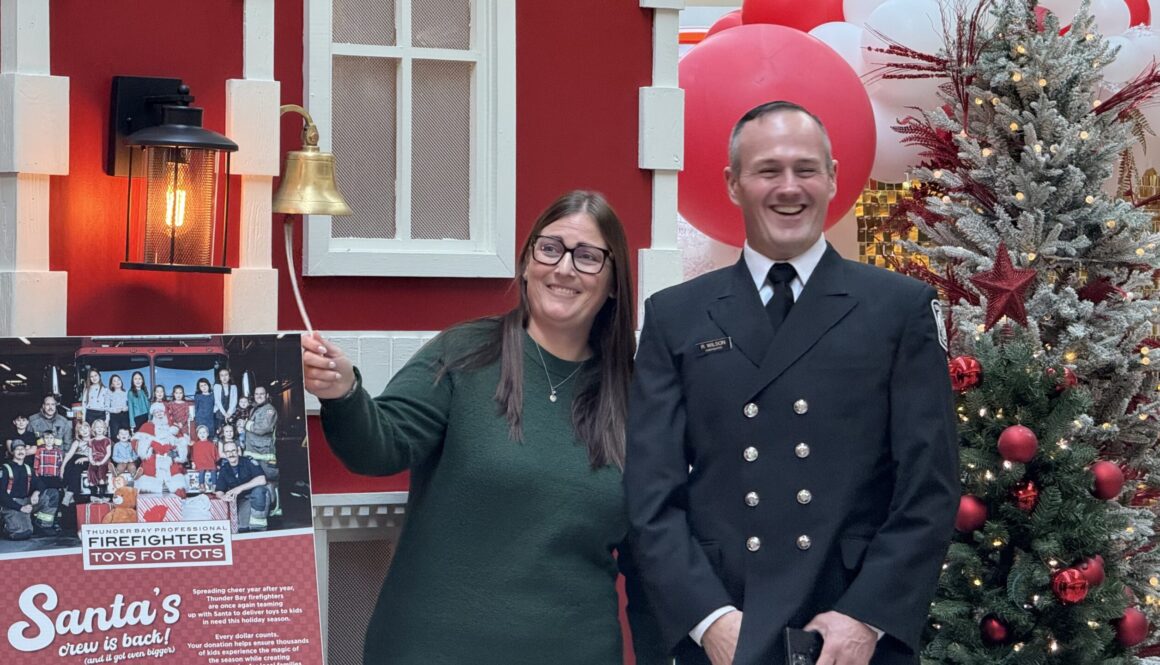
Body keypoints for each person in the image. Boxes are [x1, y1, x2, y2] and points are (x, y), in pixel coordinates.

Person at [624, 102, 960, 665]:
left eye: (805, 169)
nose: (789, 187)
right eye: (767, 170)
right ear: (733, 184)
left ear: (832, 177)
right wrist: (708, 620)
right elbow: (649, 494)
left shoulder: (898, 308)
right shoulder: (675, 316)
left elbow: (929, 486)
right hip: (725, 621)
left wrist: (867, 618)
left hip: (846, 629)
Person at [300, 190, 661, 664]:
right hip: (432, 649)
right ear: (528, 260)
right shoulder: (466, 353)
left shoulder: (638, 396)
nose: (565, 268)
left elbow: (649, 559)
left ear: (614, 282)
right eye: (550, 248)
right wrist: (343, 392)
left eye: (588, 257)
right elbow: (380, 448)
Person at [0, 441, 58, 539]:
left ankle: (42, 525)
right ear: (12, 452)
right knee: (23, 533)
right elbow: (1, 495)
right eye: (17, 449)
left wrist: (36, 492)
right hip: (12, 505)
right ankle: (5, 525)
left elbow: (41, 484)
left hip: (27, 502)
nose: (20, 451)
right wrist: (20, 508)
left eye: (22, 449)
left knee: (52, 494)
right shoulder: (5, 469)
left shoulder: (28, 468)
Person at [214, 442, 268, 532]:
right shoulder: (224, 469)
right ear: (224, 454)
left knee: (259, 491)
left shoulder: (248, 461)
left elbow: (262, 479)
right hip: (242, 501)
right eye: (228, 452)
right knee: (243, 528)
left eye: (233, 451)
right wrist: (223, 496)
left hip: (258, 497)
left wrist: (239, 488)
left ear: (238, 451)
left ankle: (260, 528)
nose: (231, 454)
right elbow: (219, 491)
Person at [244, 386, 278, 514]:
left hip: (265, 455)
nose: (259, 396)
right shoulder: (255, 409)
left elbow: (264, 428)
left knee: (268, 483)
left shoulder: (269, 410)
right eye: (256, 394)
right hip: (254, 452)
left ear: (267, 395)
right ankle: (263, 511)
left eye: (261, 394)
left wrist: (248, 425)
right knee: (257, 484)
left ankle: (273, 510)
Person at [213, 368, 238, 434]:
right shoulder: (216, 386)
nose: (224, 377)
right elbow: (217, 401)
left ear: (229, 376)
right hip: (220, 412)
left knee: (231, 431)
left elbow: (234, 401)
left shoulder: (234, 387)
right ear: (219, 377)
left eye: (226, 375)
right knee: (220, 431)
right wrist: (225, 414)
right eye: (222, 375)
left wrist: (229, 413)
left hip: (230, 413)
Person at [107, 374, 131, 439]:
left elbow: (130, 405)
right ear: (112, 384)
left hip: (125, 415)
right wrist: (114, 410)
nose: (117, 382)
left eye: (118, 380)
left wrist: (127, 408)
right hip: (114, 416)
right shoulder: (109, 393)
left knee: (126, 433)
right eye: (114, 381)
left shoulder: (126, 392)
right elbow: (106, 407)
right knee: (115, 434)